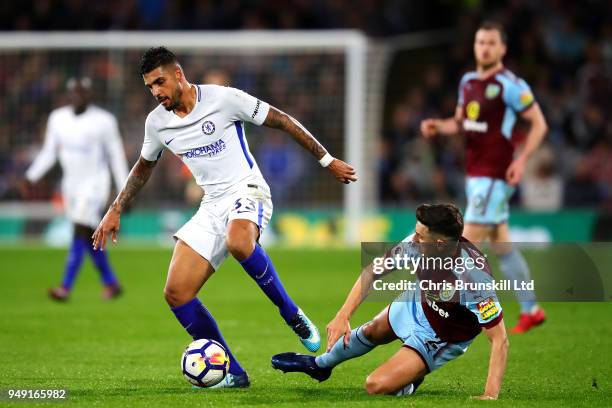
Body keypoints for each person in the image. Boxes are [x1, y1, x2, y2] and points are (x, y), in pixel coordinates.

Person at [92, 47, 357, 388]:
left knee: (238, 242)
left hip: (248, 189)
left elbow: (283, 120)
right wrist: (115, 208)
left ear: (178, 75)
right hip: (212, 204)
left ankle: (291, 313)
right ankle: (233, 372)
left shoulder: (224, 99)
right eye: (149, 87)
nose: (156, 92)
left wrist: (327, 160)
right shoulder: (157, 123)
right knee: (176, 292)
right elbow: (144, 166)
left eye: (160, 82)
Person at [272, 204, 509, 400]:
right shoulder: (419, 246)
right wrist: (344, 314)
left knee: (376, 385)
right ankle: (319, 366)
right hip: (420, 301)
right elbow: (372, 271)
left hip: (442, 336)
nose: (414, 239)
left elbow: (499, 339)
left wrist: (490, 395)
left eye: (420, 235)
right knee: (373, 330)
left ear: (439, 244)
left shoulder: (473, 279)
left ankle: (410, 380)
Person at [420, 21, 549, 333]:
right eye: (480, 42)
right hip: (476, 172)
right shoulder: (468, 82)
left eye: (492, 42)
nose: (485, 47)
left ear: (502, 48)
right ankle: (531, 309)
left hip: (495, 175)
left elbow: (539, 124)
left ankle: (440, 311)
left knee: (462, 244)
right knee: (502, 245)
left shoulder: (510, 85)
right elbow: (462, 123)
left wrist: (522, 160)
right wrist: (439, 125)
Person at [24, 77, 128, 301]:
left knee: (79, 230)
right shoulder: (57, 119)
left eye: (83, 92)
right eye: (75, 92)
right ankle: (111, 283)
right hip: (71, 186)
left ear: (90, 95)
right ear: (69, 94)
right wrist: (31, 176)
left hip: (95, 186)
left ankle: (65, 287)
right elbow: (49, 152)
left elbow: (116, 157)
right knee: (89, 235)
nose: (79, 96)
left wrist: (123, 192)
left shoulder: (104, 121)